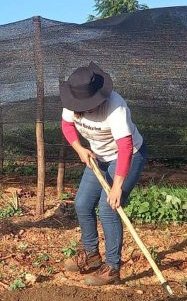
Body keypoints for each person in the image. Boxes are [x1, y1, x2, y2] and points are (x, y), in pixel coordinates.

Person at [59, 62, 147, 285]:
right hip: (98, 156)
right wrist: (80, 149)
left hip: (127, 156)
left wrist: (117, 186)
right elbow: (67, 126)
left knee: (108, 209)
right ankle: (91, 255)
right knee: (82, 204)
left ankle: (112, 268)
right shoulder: (72, 102)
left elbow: (126, 147)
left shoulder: (116, 107)